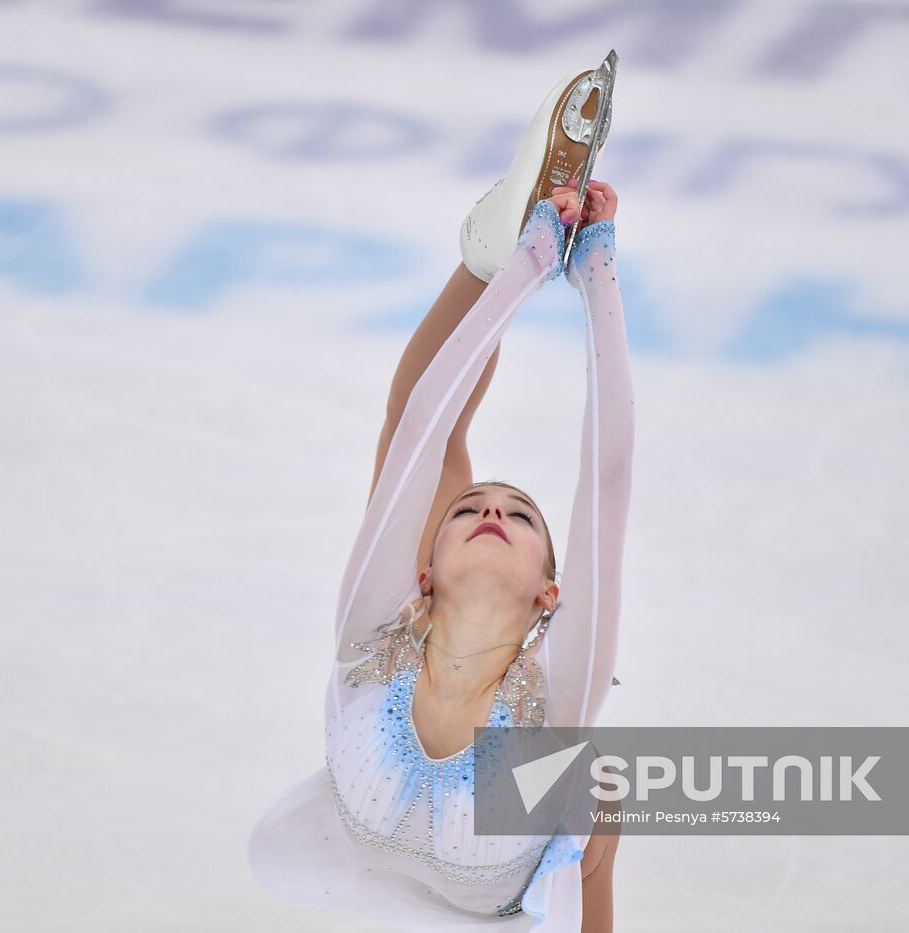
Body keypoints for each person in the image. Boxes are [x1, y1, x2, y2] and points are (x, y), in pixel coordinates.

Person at [249, 59, 634, 932]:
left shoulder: (558, 704)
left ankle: (493, 248)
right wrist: (524, 265)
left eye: (519, 516)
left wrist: (580, 268)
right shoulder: (373, 638)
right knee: (425, 441)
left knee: (597, 799)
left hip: (504, 911)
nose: (491, 510)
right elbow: (424, 426)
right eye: (474, 511)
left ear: (552, 592)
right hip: (347, 857)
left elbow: (608, 477)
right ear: (424, 575)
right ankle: (484, 247)